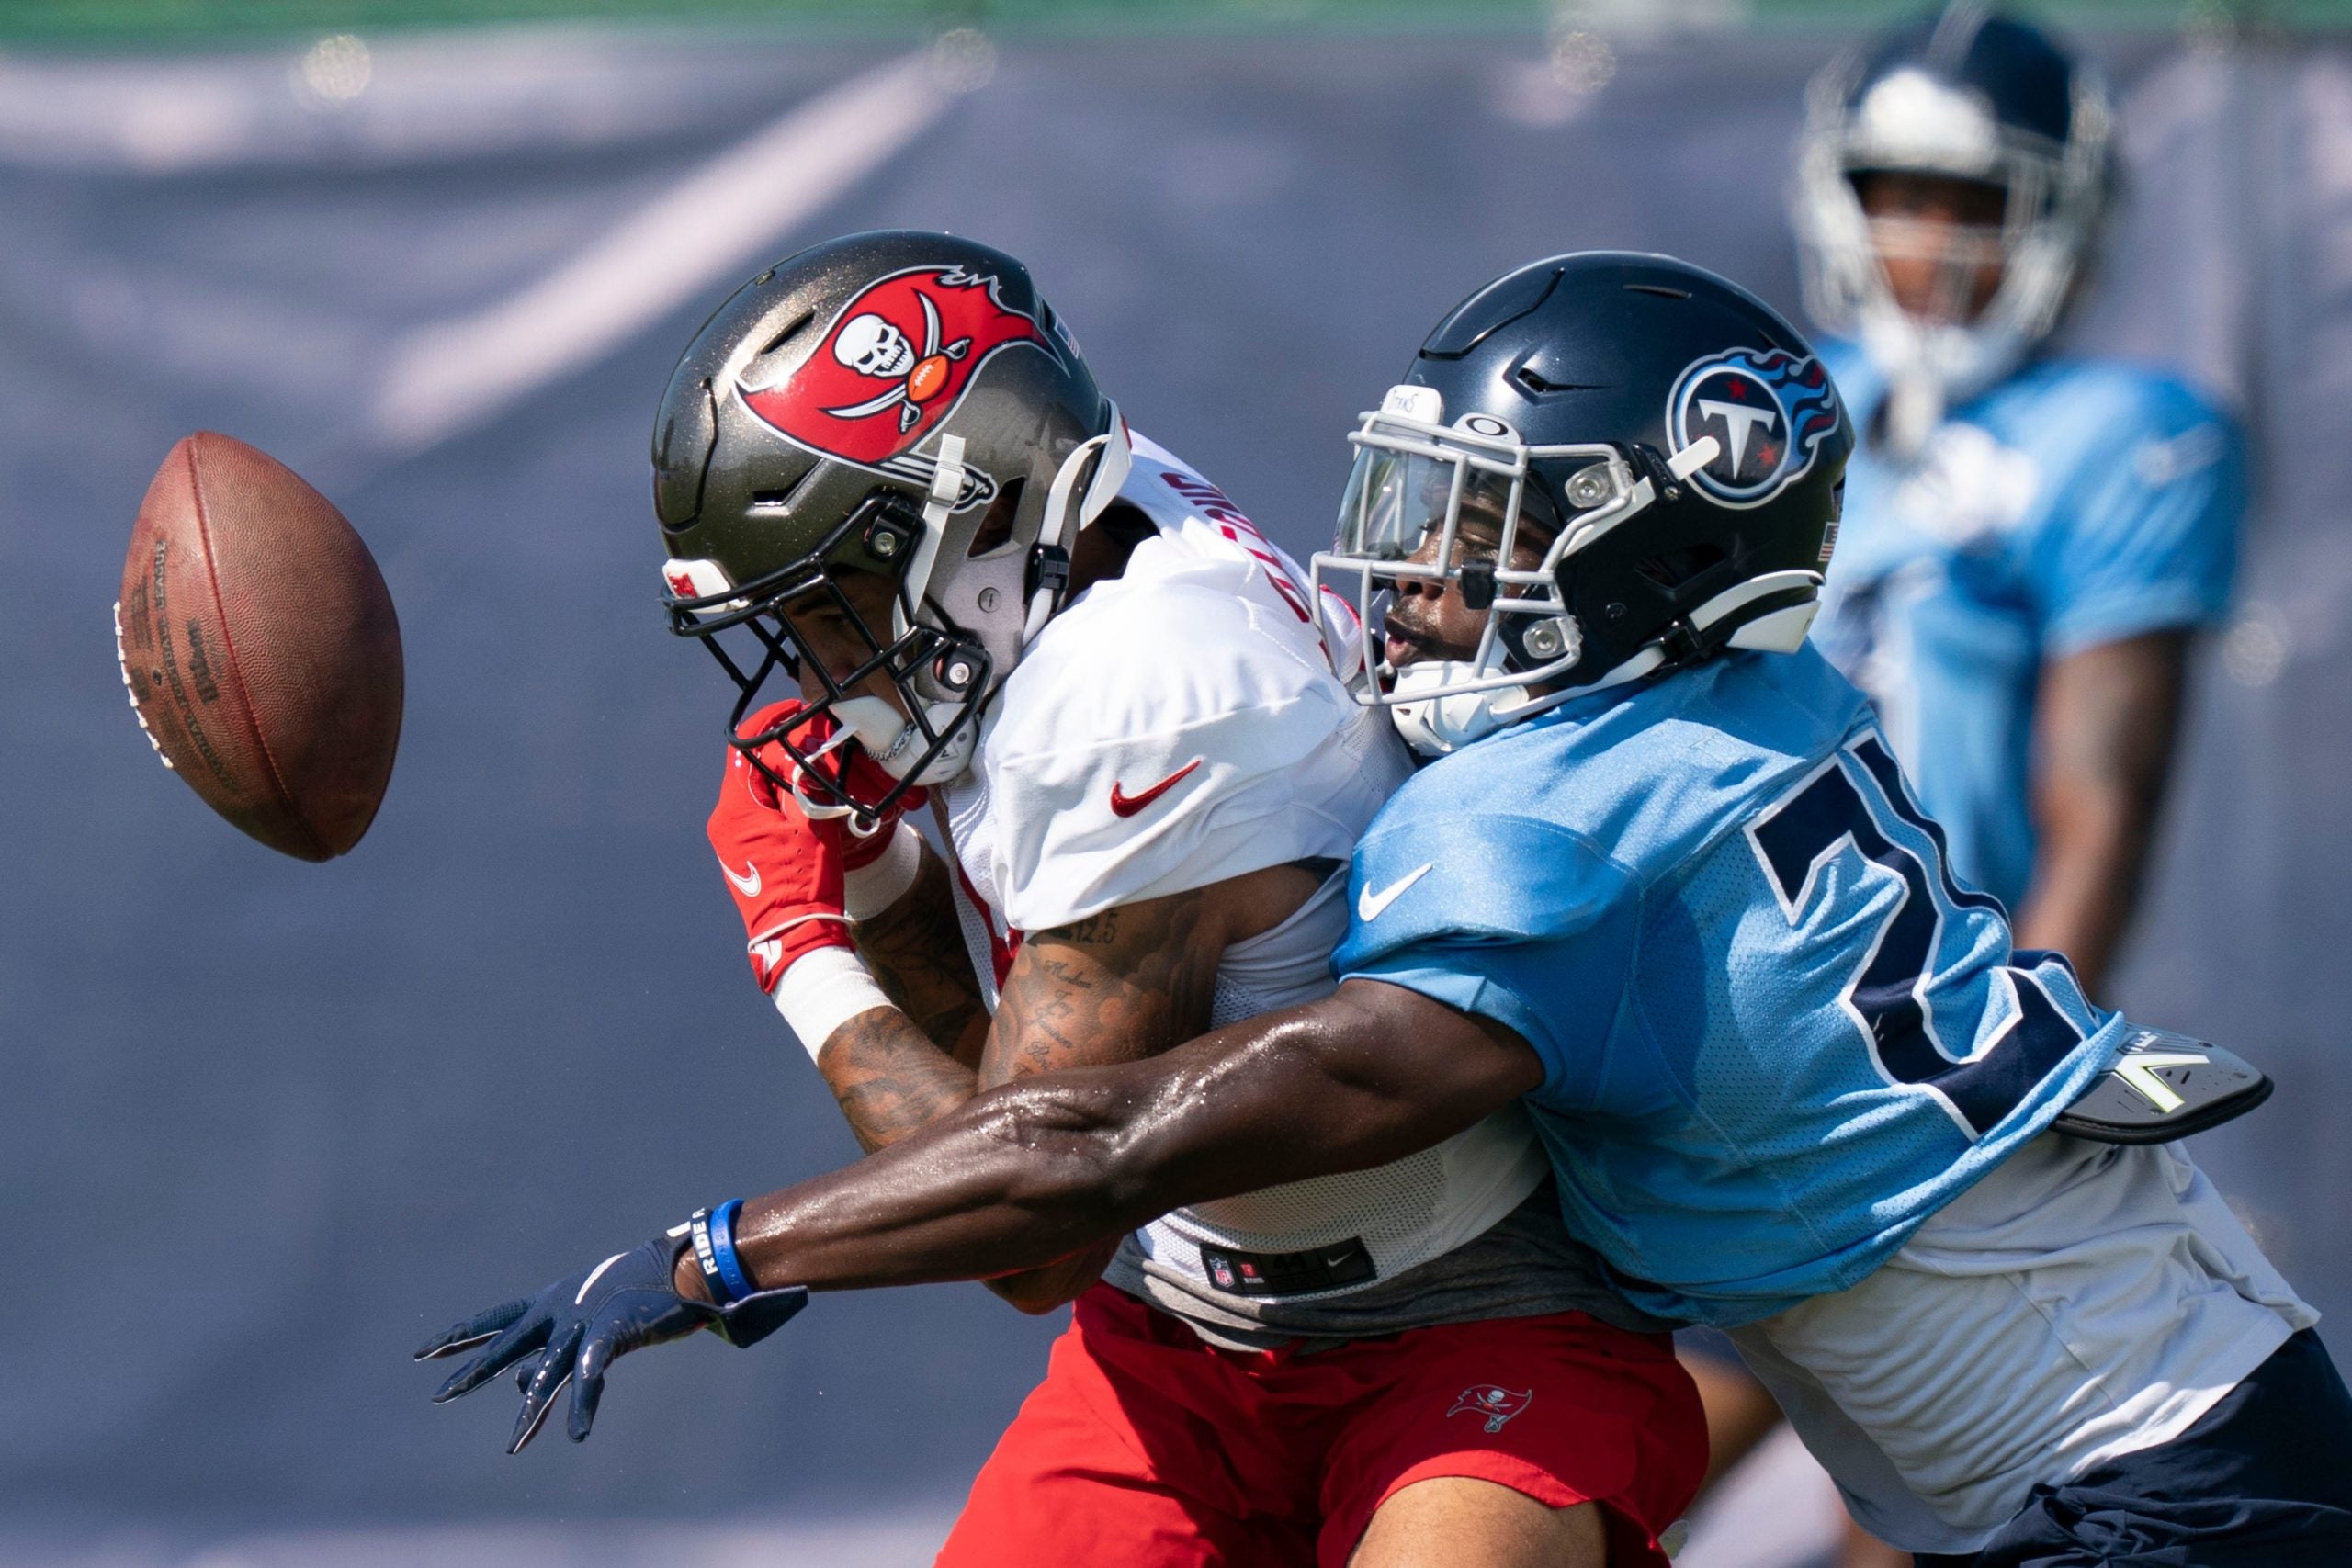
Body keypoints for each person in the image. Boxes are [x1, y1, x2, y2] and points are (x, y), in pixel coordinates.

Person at [421, 249, 2352, 1568]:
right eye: (1425, 509)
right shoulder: (1736, 701)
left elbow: (1087, 1142)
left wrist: (726, 1238)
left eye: (1487, 529)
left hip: (2145, 1485)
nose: (1409, 577)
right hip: (2163, 1404)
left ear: (1646, 552)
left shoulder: (1548, 830)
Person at [427, 231, 1704, 1568]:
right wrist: (885, 876)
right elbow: (1032, 1126)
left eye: (834, 606)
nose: (814, 673)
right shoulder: (1098, 522)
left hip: (1467, 1319)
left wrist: (802, 943)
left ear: (974, 518)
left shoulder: (1136, 689)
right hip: (1178, 1337)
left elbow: (1039, 1221)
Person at [1686, 11, 2251, 1556]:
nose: (1927, 240)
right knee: (1633, 1433)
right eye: (1895, 192)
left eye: (1971, 199)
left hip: (1929, 1021)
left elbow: (2100, 805)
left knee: (1941, 1477)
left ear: (2059, 210)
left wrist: (1993, 1080)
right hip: (1714, 1011)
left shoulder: (2129, 436)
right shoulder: (1767, 400)